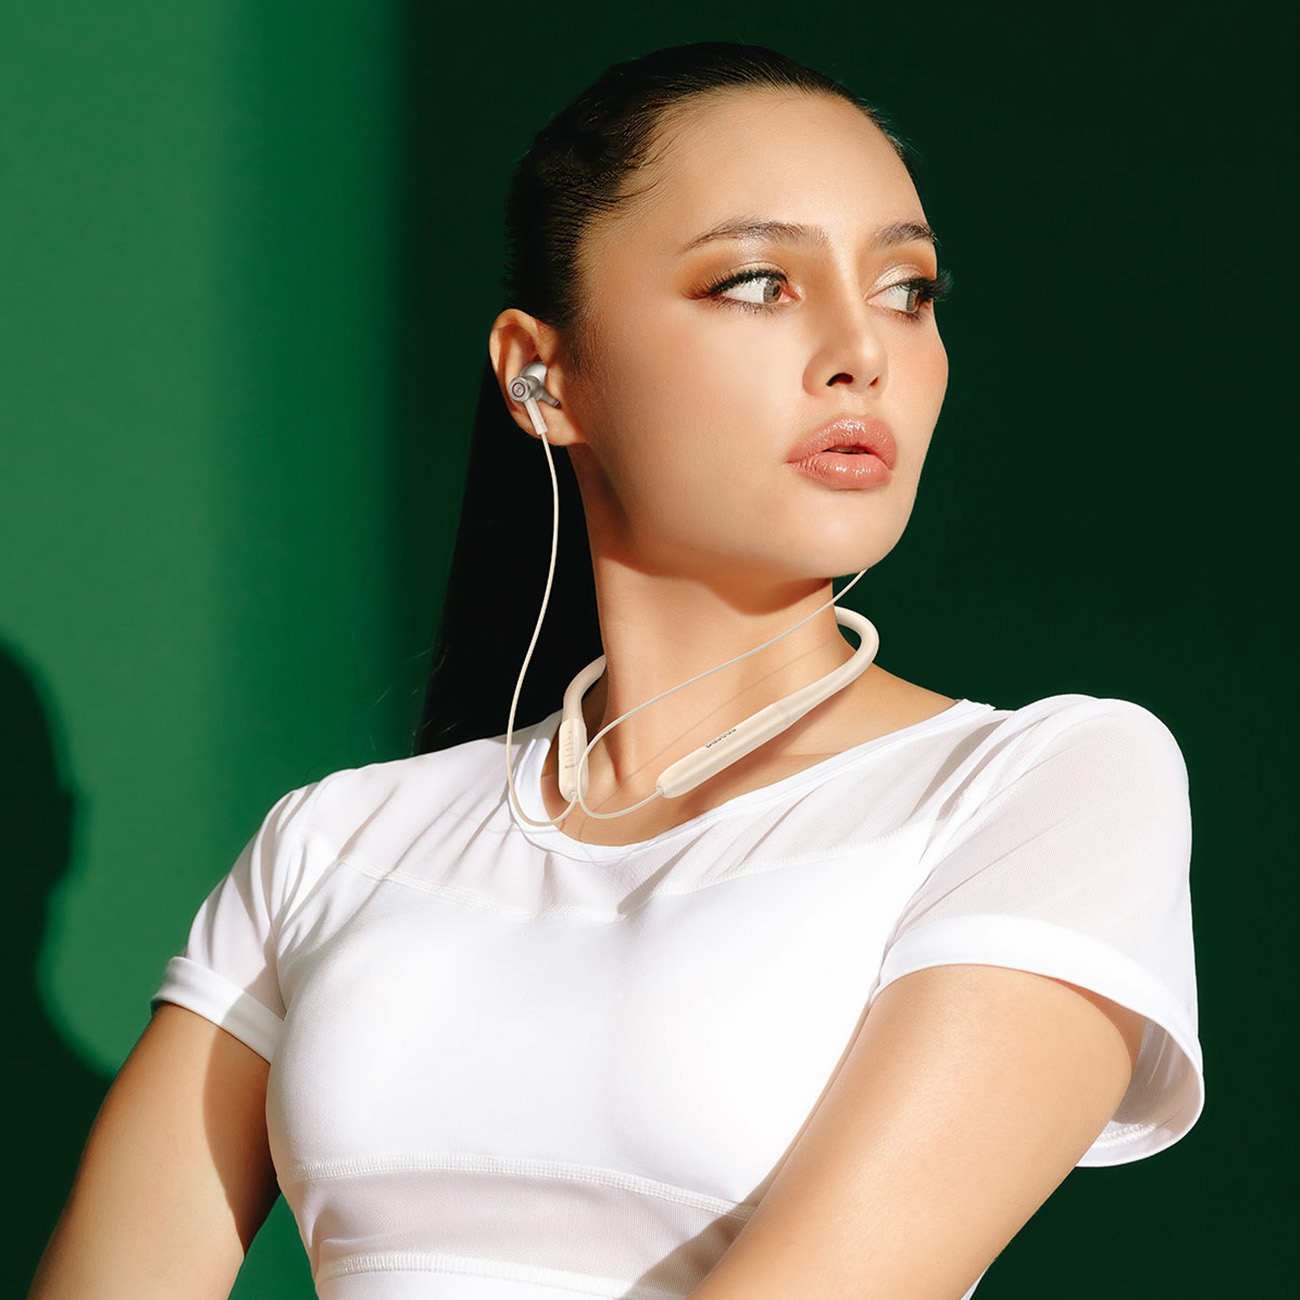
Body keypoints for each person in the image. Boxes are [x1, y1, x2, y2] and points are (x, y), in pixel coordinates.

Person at [29, 41, 1203, 1300]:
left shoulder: (1036, 788)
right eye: (757, 282)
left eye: (906, 289)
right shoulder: (333, 844)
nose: (861, 350)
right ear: (541, 376)